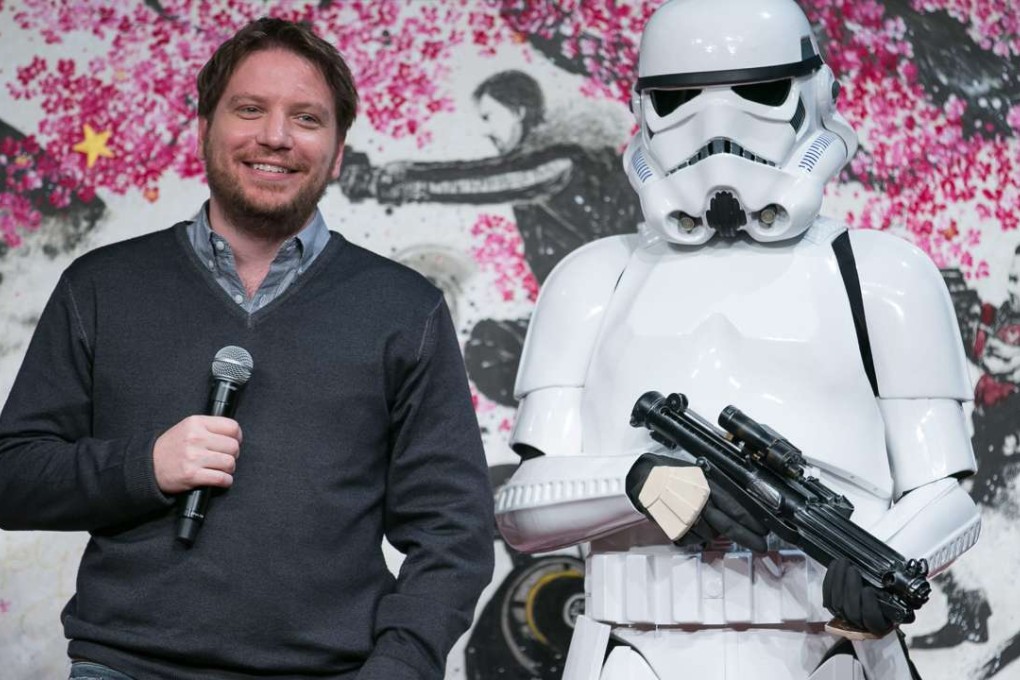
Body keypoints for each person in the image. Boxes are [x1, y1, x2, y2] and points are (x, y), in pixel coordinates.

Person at [493, 1, 981, 679]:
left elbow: (947, 494)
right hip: (631, 647)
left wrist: (893, 567)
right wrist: (637, 483)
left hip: (829, 645)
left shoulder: (882, 275)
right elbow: (524, 508)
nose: (716, 129)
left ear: (815, 95)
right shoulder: (593, 279)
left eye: (757, 92)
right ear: (642, 109)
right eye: (678, 100)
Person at [0, 17, 493, 680]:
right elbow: (13, 477)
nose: (276, 137)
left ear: (339, 152)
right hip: (127, 667)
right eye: (250, 109)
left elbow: (452, 532)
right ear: (205, 128)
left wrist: (400, 667)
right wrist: (143, 466)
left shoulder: (405, 309)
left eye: (307, 118)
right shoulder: (101, 288)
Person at [340, 70, 641, 407]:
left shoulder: (561, 164)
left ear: (519, 111)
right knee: (493, 349)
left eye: (488, 116)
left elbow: (480, 181)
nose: (485, 130)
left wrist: (378, 181)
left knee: (496, 349)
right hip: (591, 320)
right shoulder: (554, 164)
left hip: (614, 322)